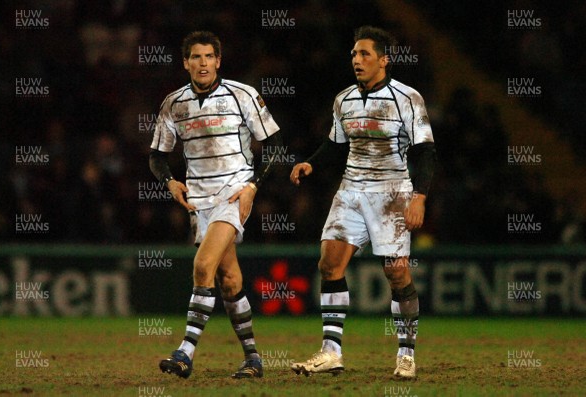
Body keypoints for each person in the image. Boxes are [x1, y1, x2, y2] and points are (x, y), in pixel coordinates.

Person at [289, 26, 435, 379]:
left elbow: (426, 151)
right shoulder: (343, 99)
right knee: (329, 264)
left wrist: (419, 198)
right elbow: (337, 143)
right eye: (354, 54)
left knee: (396, 271)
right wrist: (312, 161)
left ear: (384, 60)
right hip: (351, 190)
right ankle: (331, 353)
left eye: (365, 54)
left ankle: (406, 355)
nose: (357, 59)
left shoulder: (408, 98)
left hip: (391, 193)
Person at [149, 31, 282, 379]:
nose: (203, 63)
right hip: (198, 199)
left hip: (233, 194)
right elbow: (156, 156)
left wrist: (253, 186)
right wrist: (170, 182)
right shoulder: (174, 103)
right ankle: (253, 358)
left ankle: (185, 353)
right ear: (186, 63)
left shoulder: (243, 95)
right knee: (227, 276)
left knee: (203, 265)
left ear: (218, 61)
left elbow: (274, 144)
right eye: (196, 57)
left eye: (209, 56)